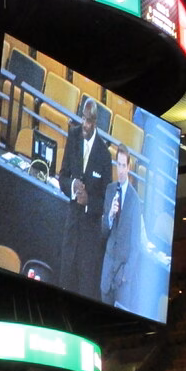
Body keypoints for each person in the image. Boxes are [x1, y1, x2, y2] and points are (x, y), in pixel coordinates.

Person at [58, 98, 111, 298]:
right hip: (71, 228)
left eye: (88, 121)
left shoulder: (104, 155)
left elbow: (106, 201)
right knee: (64, 283)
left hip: (89, 238)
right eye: (83, 118)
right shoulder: (73, 136)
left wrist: (89, 201)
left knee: (83, 290)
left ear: (95, 122)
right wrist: (72, 186)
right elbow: (62, 176)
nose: (84, 124)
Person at [100, 144, 144, 307]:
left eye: (123, 165)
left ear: (128, 167)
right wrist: (110, 216)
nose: (120, 170)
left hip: (122, 277)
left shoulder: (135, 200)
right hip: (107, 272)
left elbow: (136, 244)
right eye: (118, 164)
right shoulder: (109, 190)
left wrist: (126, 275)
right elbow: (103, 232)